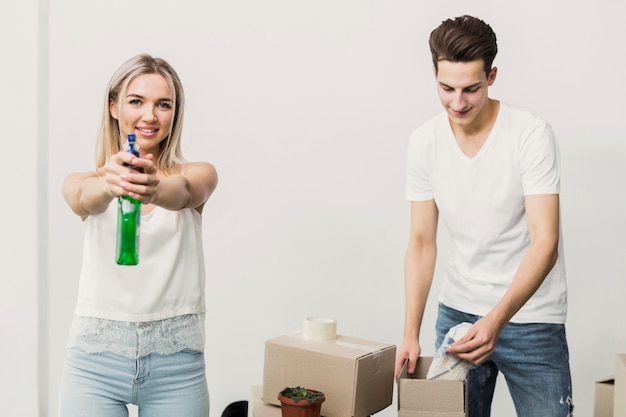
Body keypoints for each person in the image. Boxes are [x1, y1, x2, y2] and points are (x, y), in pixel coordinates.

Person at [394, 15, 573, 417]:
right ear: (434, 76)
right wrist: (410, 332)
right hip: (457, 311)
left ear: (492, 76)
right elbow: (422, 243)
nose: (457, 103)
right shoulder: (424, 143)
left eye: (471, 89)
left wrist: (496, 320)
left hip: (531, 317)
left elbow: (545, 243)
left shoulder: (530, 135)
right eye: (446, 88)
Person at [59, 54, 218, 417]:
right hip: (93, 366)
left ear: (174, 113)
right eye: (136, 101)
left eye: (164, 104)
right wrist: (110, 183)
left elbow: (184, 192)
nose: (150, 116)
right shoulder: (85, 181)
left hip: (177, 369)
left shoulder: (199, 173)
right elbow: (84, 199)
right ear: (113, 106)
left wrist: (152, 188)